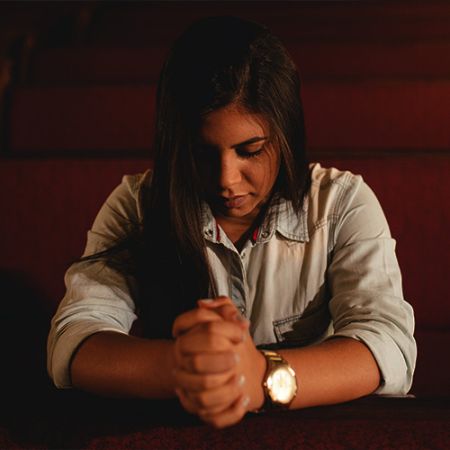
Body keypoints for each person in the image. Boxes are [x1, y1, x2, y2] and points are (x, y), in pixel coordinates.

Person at [47, 16, 416, 429]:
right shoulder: (139, 204)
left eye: (251, 151)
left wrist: (259, 376)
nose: (225, 179)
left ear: (285, 136)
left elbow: (388, 346)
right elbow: (74, 340)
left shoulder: (341, 203)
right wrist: (184, 367)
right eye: (202, 154)